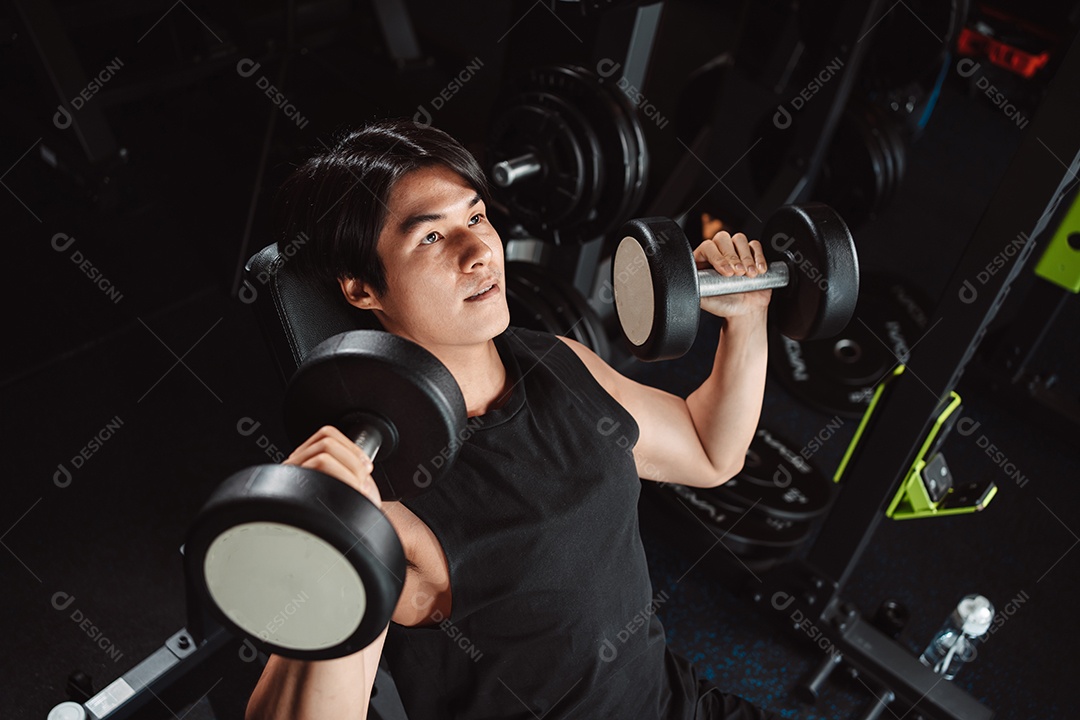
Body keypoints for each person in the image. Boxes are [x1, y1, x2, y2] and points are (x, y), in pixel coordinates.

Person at [245, 118, 778, 720]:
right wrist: (332, 545)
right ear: (364, 290)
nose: (478, 252)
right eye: (430, 238)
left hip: (676, 703)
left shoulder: (553, 359)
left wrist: (747, 318)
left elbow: (711, 451)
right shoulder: (382, 487)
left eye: (475, 218)